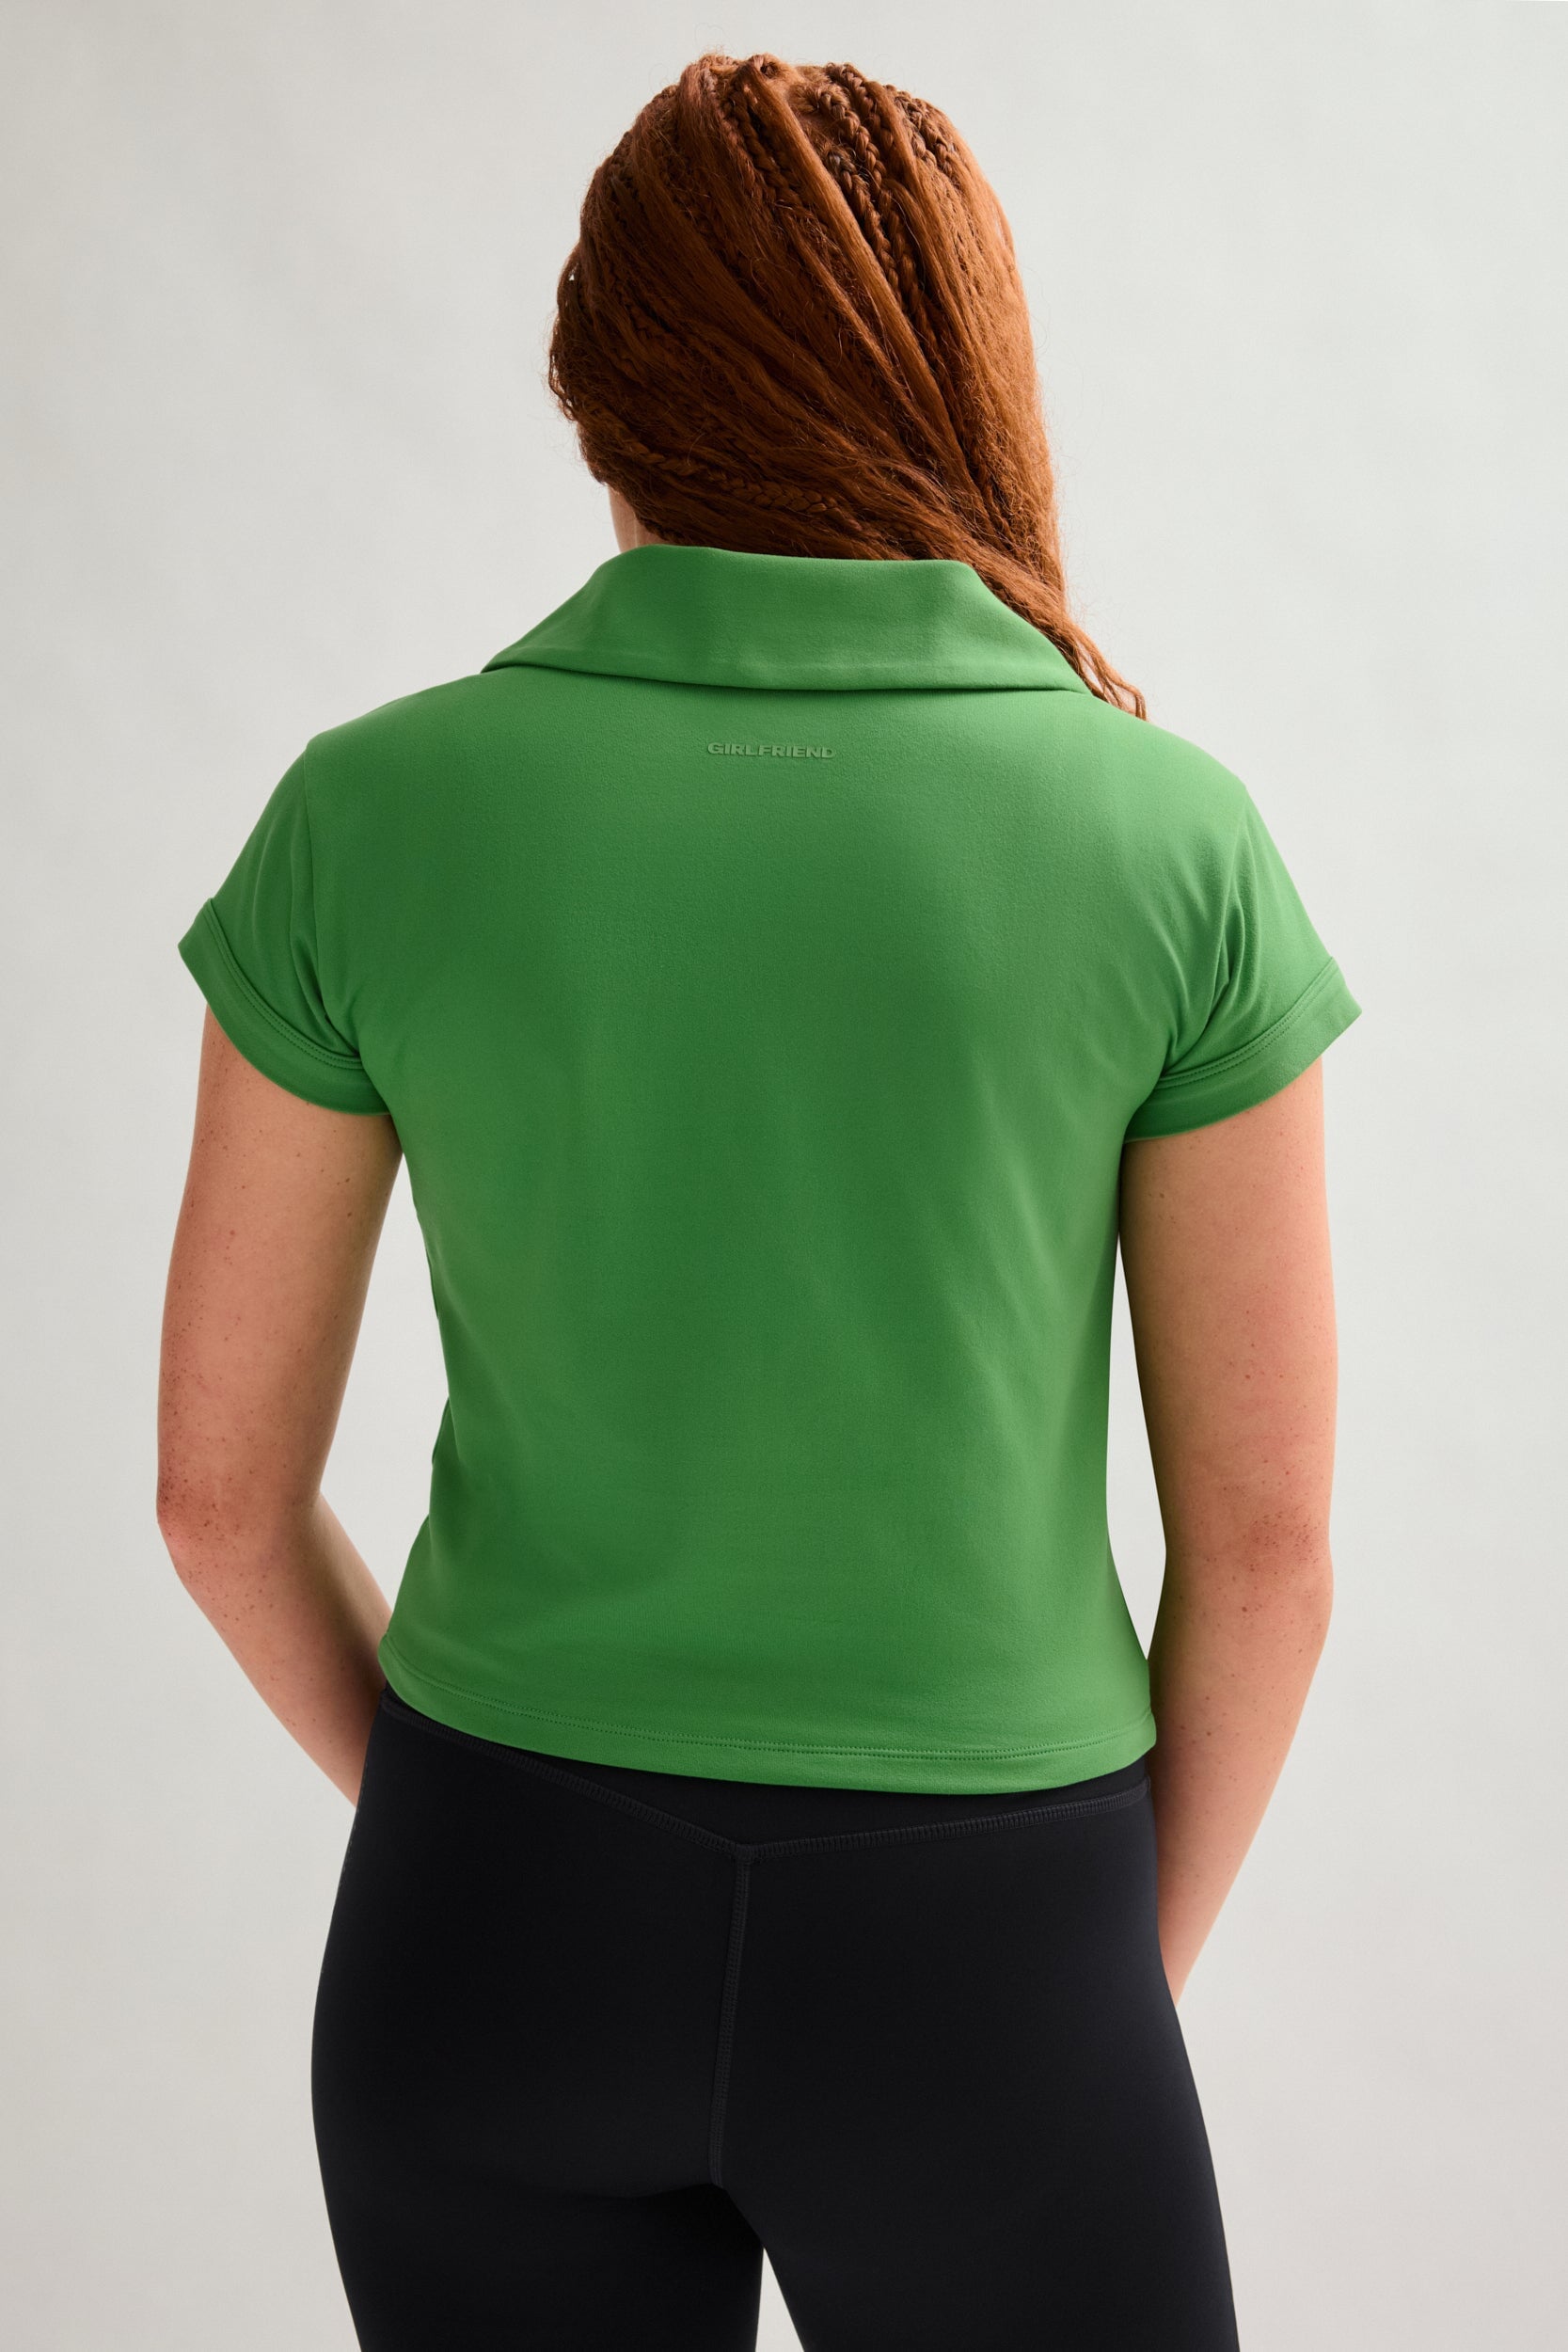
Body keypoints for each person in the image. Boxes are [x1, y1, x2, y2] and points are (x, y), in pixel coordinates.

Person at [157, 52, 1359, 2352]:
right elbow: (1273, 1548)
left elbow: (218, 1499)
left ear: (601, 386)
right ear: (961, 368)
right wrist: (1080, 1974)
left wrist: (478, 1835)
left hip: (488, 1925)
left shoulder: (368, 812)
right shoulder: (1168, 839)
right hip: (989, 1938)